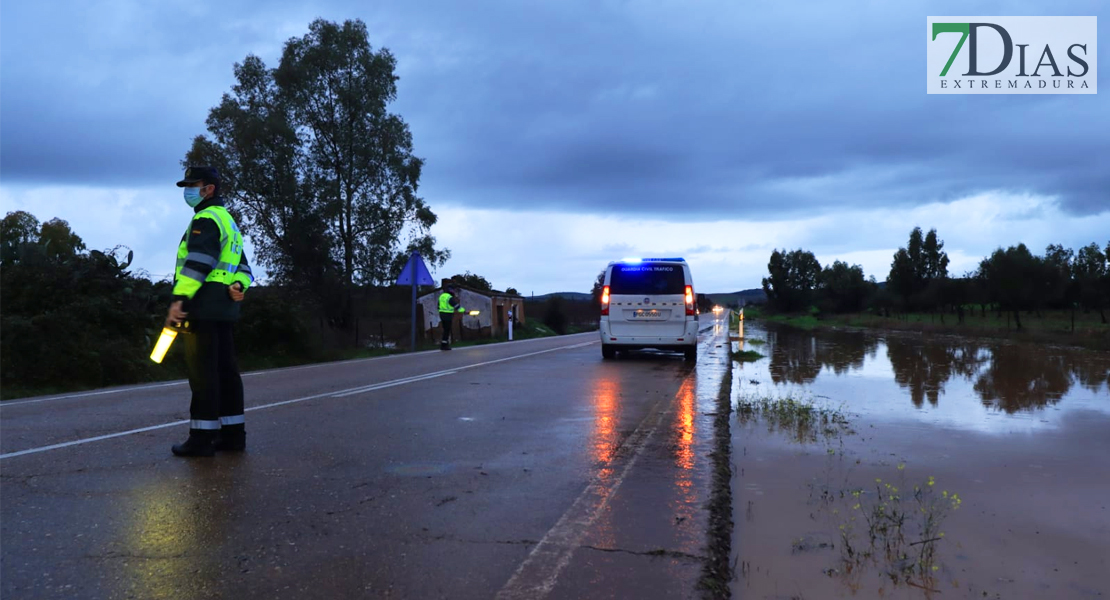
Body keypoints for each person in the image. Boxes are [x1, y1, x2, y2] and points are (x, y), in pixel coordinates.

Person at [166, 166, 254, 457]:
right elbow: (243, 267)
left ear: (210, 189)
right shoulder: (228, 220)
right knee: (226, 372)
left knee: (203, 373)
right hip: (224, 308)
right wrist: (239, 284)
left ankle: (201, 439)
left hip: (203, 305)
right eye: (186, 185)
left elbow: (199, 262)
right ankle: (233, 436)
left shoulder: (206, 219)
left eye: (194, 184)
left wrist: (179, 299)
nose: (188, 190)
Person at [438, 285, 465, 350]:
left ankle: (444, 343)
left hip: (441, 314)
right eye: (454, 290)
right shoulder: (449, 297)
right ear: (451, 290)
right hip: (447, 315)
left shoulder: (441, 296)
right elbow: (456, 306)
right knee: (447, 330)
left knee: (445, 330)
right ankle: (444, 345)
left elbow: (438, 306)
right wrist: (464, 311)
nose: (454, 292)